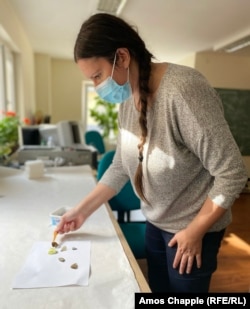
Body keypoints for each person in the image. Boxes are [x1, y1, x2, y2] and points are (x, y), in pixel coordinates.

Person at [56, 13, 248, 293]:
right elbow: (121, 165)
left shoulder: (183, 91)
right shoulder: (127, 98)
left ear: (122, 57)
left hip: (194, 228)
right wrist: (80, 211)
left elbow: (231, 173)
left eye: (97, 76)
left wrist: (195, 231)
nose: (98, 87)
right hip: (155, 223)